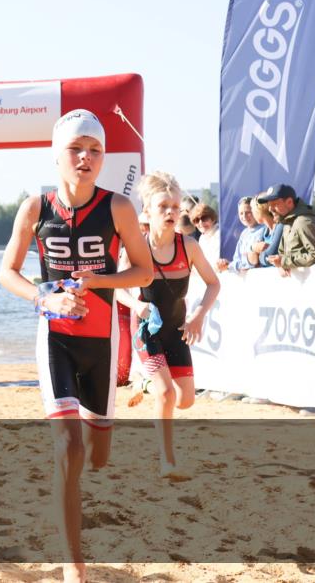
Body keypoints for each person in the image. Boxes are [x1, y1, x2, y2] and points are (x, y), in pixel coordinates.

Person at [0, 109, 153, 583]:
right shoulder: (35, 207)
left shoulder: (118, 207)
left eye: (95, 150)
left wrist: (100, 278)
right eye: (76, 148)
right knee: (67, 448)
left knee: (97, 454)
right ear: (56, 155)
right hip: (56, 340)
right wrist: (48, 296)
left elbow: (143, 272)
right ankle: (74, 563)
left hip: (102, 343)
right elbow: (7, 273)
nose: (86, 157)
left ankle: (93, 441)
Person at [116, 172, 220, 479]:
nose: (171, 212)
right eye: (163, 207)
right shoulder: (137, 247)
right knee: (167, 395)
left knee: (186, 400)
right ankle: (167, 461)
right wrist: (137, 304)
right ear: (147, 212)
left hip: (176, 331)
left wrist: (198, 316)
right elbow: (117, 288)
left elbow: (214, 284)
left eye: (175, 207)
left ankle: (146, 383)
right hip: (146, 332)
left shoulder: (188, 247)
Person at [257, 184, 315, 275]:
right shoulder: (287, 223)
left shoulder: (303, 222)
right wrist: (280, 264)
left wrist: (284, 262)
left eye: (275, 204)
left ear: (289, 202)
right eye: (269, 205)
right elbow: (282, 254)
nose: (270, 209)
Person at [217, 197, 263, 273]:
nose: (244, 216)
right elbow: (237, 259)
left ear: (255, 211)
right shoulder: (244, 233)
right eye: (241, 213)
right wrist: (229, 265)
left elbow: (254, 261)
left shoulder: (264, 230)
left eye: (248, 212)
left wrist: (231, 266)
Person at [247, 196, 284, 268]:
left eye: (252, 210)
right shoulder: (265, 230)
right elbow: (254, 260)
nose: (252, 213)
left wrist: (260, 255)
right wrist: (253, 247)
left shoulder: (280, 226)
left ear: (259, 211)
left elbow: (269, 257)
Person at [189, 202, 220, 267]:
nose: (201, 223)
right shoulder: (202, 238)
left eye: (204, 218)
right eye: (197, 220)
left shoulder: (219, 235)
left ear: (213, 219)